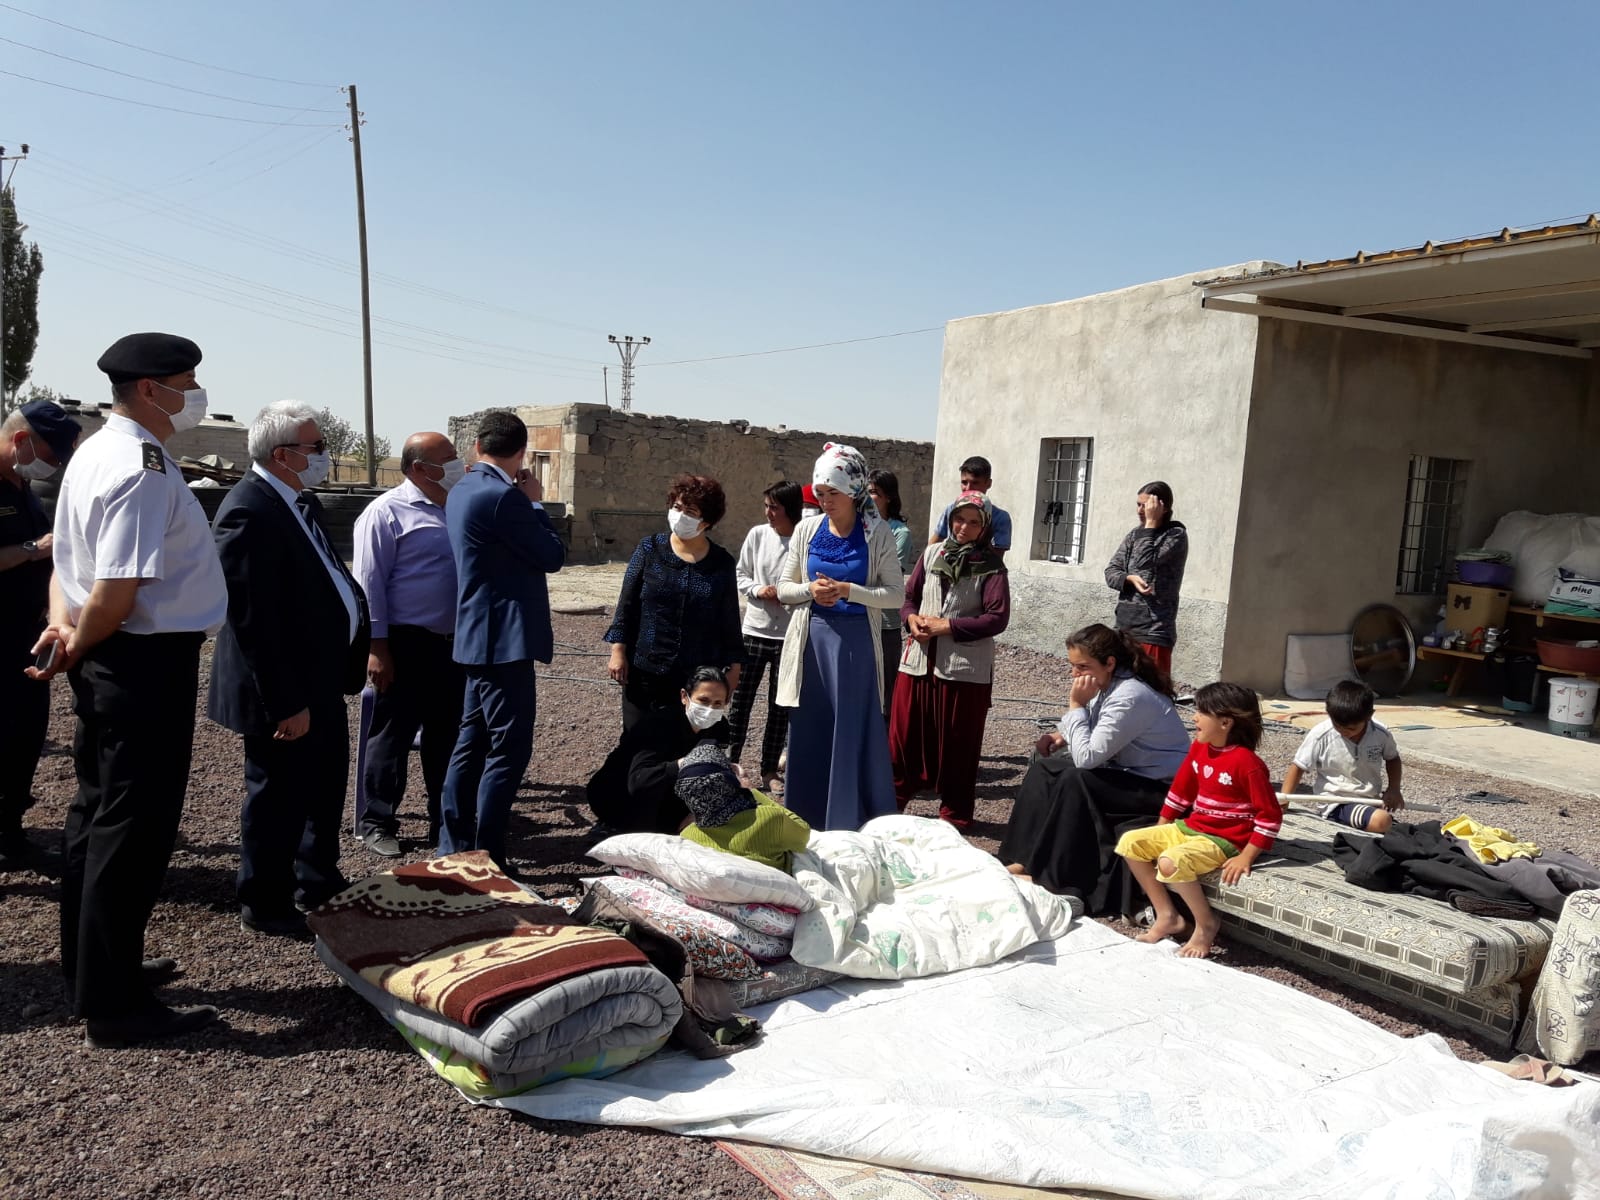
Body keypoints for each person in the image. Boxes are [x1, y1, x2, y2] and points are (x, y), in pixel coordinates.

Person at [30, 332, 227, 1047]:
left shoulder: (96, 450)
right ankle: (116, 1004)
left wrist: (62, 630)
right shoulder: (140, 466)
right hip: (138, 658)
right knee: (132, 828)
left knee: (95, 813)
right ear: (151, 389)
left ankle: (94, 968)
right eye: (188, 379)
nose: (197, 391)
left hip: (105, 651)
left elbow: (66, 566)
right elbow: (116, 587)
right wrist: (79, 639)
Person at [209, 401, 370, 939]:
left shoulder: (298, 501)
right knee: (277, 795)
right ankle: (265, 899)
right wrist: (286, 702)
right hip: (285, 690)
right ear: (283, 455)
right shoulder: (249, 510)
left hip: (320, 680)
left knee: (322, 787)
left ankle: (317, 879)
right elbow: (254, 621)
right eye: (317, 448)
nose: (326, 456)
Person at [440, 410, 566, 868]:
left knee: (471, 742)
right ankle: (488, 854)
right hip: (505, 641)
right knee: (508, 750)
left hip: (477, 635)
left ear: (478, 447)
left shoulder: (463, 490)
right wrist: (535, 502)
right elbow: (552, 555)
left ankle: (453, 843)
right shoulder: (504, 498)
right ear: (522, 453)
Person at [997, 623, 1188, 912]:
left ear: (1109, 662)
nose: (1075, 675)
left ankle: (1056, 879)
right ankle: (1021, 858)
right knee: (1045, 769)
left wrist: (1075, 706)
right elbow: (1098, 728)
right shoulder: (1108, 683)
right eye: (1072, 666)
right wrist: (1062, 732)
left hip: (1161, 789)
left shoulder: (1130, 695)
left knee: (1077, 778)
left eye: (1082, 666)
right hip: (1130, 774)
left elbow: (1088, 757)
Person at [775, 442, 905, 830]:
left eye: (833, 493)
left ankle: (849, 819)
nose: (825, 500)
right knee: (811, 727)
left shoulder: (877, 532)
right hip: (811, 642)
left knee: (849, 728)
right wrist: (809, 593)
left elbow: (895, 595)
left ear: (854, 492)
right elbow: (784, 587)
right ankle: (806, 819)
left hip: (854, 645)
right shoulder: (806, 529)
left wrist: (850, 590)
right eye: (820, 493)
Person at [351, 431, 465, 857]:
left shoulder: (456, 507)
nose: (457, 464)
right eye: (448, 458)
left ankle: (444, 821)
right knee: (391, 735)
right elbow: (370, 586)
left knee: (447, 736)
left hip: (453, 645)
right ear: (419, 468)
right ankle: (378, 821)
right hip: (404, 642)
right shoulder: (385, 513)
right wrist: (377, 648)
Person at [1115, 682, 1281, 958]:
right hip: (1191, 827)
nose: (1194, 718)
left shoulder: (1247, 764)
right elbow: (1181, 791)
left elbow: (1270, 815)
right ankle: (1167, 914)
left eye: (1202, 712)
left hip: (1225, 839)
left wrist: (1247, 857)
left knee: (1171, 861)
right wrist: (1161, 827)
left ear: (1226, 722)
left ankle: (1205, 925)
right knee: (1131, 842)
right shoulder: (1199, 748)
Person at [889, 491, 1009, 829]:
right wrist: (911, 619)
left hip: (963, 670)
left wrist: (948, 626)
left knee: (957, 743)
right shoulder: (931, 554)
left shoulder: (991, 566)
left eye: (974, 522)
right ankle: (892, 803)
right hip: (918, 661)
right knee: (904, 737)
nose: (964, 528)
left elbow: (997, 618)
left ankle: (954, 815)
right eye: (959, 519)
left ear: (984, 526)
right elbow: (908, 597)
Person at [0, 400, 80, 863]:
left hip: (27, 635)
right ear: (23, 441)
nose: (54, 467)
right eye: (52, 456)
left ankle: (11, 830)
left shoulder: (24, 484)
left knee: (24, 735)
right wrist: (33, 548)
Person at [604, 474, 743, 731]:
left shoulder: (721, 563)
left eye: (690, 511)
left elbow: (729, 619)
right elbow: (627, 604)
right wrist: (617, 651)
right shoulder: (649, 549)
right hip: (645, 668)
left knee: (684, 742)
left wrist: (734, 668)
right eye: (677, 507)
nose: (680, 515)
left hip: (696, 675)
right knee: (638, 744)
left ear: (707, 521)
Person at [587, 666, 733, 836]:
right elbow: (639, 782)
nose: (710, 709)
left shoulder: (719, 726)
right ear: (684, 697)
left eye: (718, 703)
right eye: (703, 700)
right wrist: (685, 763)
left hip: (666, 792)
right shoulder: (658, 725)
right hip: (619, 795)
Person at [727, 480, 801, 790]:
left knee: (779, 706)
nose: (768, 513)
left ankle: (770, 770)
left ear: (790, 509)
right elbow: (741, 573)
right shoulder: (757, 535)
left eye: (775, 507)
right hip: (754, 631)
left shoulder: (803, 539)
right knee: (739, 701)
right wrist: (759, 590)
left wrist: (789, 594)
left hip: (789, 635)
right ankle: (730, 763)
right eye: (766, 506)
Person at [1281, 680, 1404, 833]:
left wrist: (1394, 789)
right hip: (1336, 803)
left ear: (1369, 716)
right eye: (1337, 725)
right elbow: (1299, 766)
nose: (1343, 731)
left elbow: (1392, 758)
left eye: (1351, 728)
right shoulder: (1321, 735)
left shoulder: (1380, 733)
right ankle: (1339, 820)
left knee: (1396, 828)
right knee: (1382, 821)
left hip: (1371, 801)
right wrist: (1284, 799)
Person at [675, 740, 811, 871]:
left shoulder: (688, 836)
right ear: (728, 781)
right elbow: (803, 833)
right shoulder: (769, 818)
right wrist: (750, 790)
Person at [1104, 481, 1188, 675]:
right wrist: (1129, 579)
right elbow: (1111, 571)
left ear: (1162, 507)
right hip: (1124, 626)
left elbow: (1144, 562)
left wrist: (1150, 524)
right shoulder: (1135, 534)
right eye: (1138, 504)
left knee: (1152, 692)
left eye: (1145, 505)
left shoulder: (1175, 535)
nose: (1140, 510)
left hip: (1153, 630)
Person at [867, 468, 919, 713]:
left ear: (888, 496)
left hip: (885, 621)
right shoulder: (858, 526)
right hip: (858, 616)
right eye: (866, 492)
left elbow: (888, 574)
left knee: (885, 689)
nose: (869, 498)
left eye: (875, 493)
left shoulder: (900, 533)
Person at [928, 455, 1012, 552]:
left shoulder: (1000, 517)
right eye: (964, 482)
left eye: (975, 483)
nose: (968, 488)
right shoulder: (951, 509)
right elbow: (932, 546)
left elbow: (997, 559)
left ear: (988, 484)